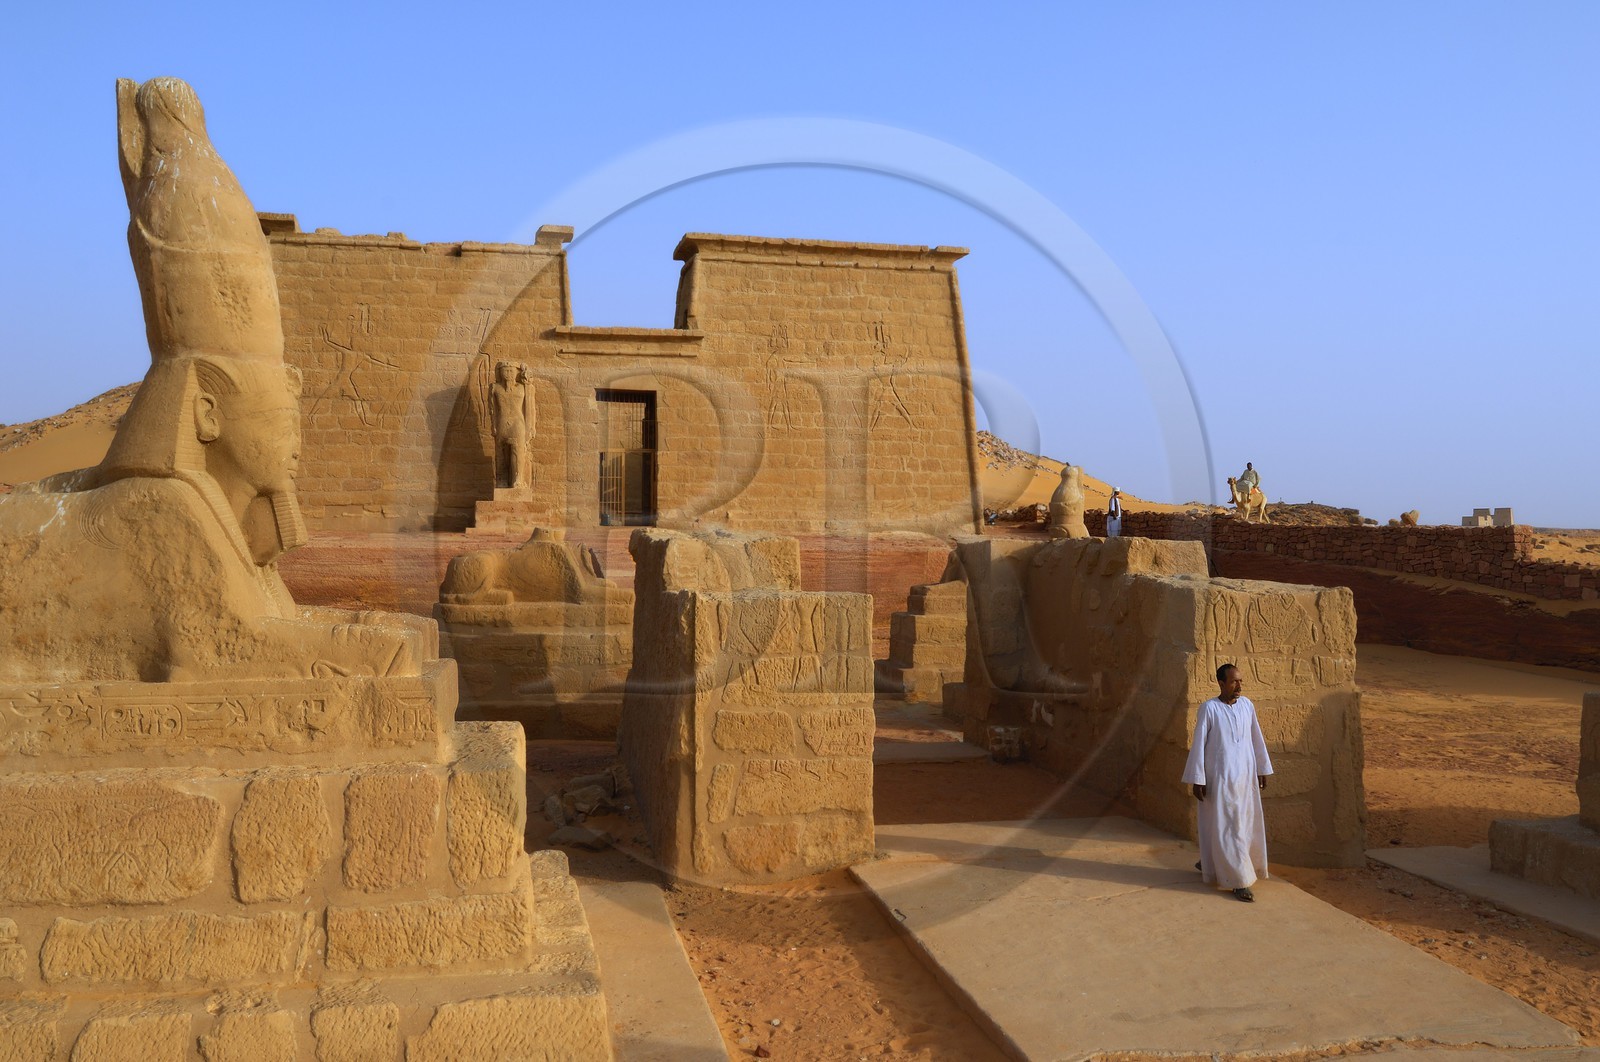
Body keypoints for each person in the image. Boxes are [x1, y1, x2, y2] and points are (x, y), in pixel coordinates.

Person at [1181, 663, 1273, 902]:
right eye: (1234, 682)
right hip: (1219, 779)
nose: (1239, 686)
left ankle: (1211, 862)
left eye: (1240, 681)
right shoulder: (1209, 709)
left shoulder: (1247, 706)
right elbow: (1199, 744)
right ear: (1221, 683)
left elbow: (1256, 738)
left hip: (1244, 778)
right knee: (1229, 827)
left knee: (1240, 824)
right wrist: (1197, 778)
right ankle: (1238, 880)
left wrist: (1262, 769)